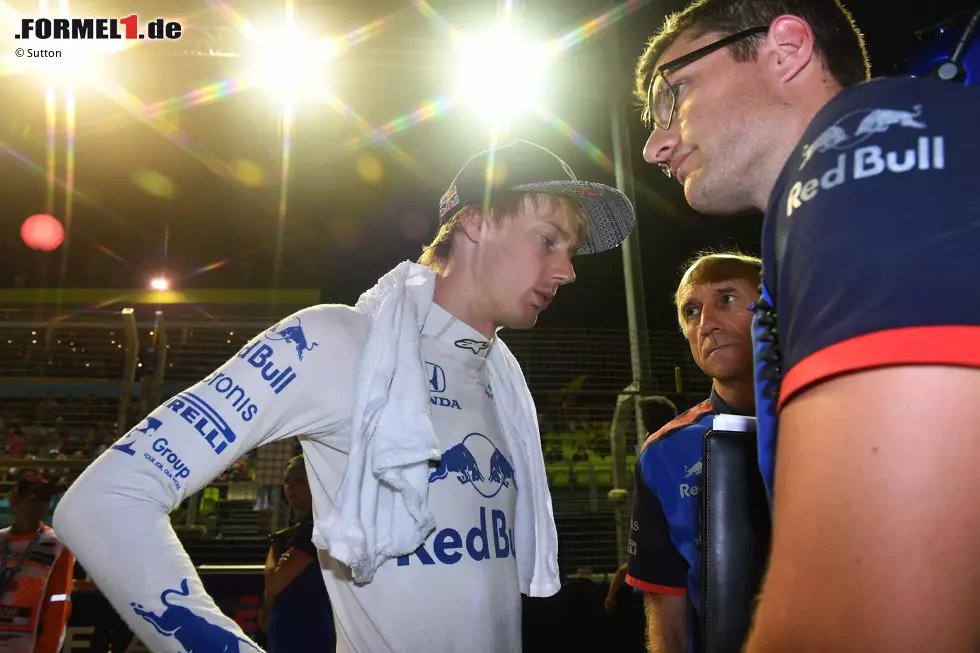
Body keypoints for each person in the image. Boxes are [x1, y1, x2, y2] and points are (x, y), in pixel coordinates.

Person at [53, 139, 635, 653]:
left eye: (570, 250)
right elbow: (105, 501)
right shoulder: (336, 341)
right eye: (549, 240)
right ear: (477, 221)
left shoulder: (502, 382)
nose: (568, 271)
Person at [635, 1, 980, 650]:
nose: (654, 145)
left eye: (671, 90)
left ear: (786, 48)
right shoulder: (831, 203)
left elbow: (873, 620)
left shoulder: (870, 152)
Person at [626, 252, 758, 653]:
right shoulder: (664, 454)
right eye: (691, 311)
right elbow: (668, 624)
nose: (707, 324)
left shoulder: (846, 420)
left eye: (728, 299)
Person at [261, 454, 336, 652]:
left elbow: (272, 583)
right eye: (287, 481)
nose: (290, 487)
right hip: (291, 635)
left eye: (300, 480)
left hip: (306, 636)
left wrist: (274, 545)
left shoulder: (313, 530)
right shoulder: (300, 531)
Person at [0, 473, 74, 653]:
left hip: (30, 646)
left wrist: (47, 649)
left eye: (45, 498)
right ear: (14, 501)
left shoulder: (58, 544)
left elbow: (59, 602)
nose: (40, 504)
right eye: (33, 497)